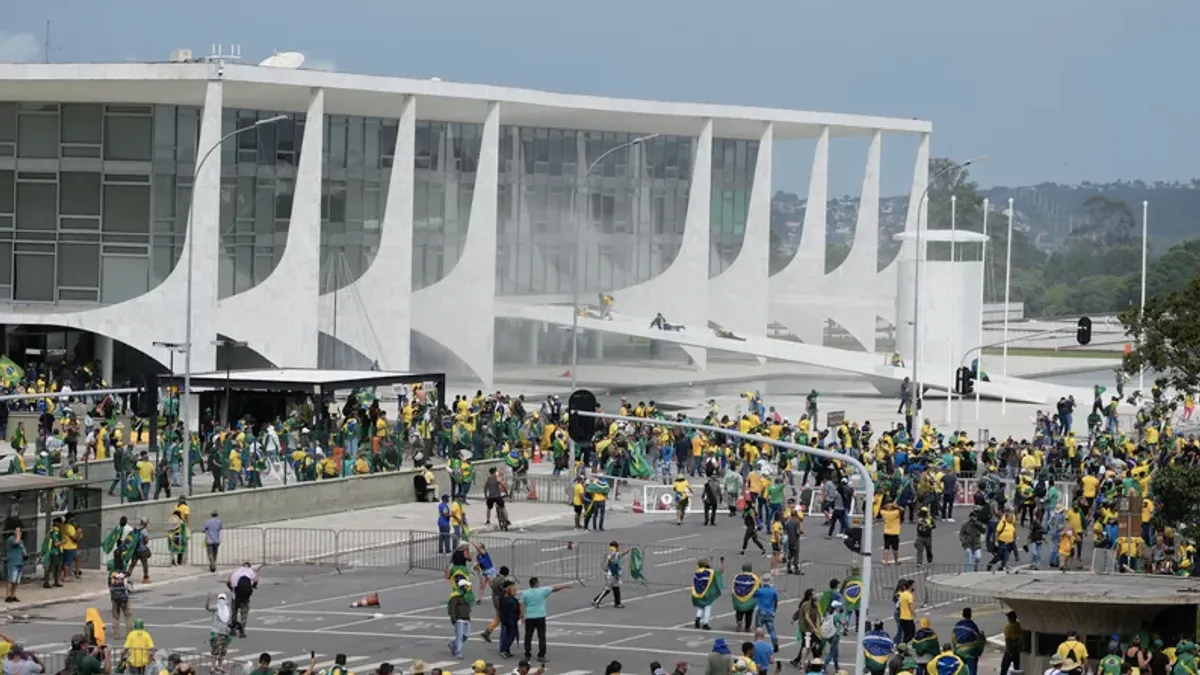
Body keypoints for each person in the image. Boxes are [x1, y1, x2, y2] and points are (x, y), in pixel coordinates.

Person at [519, 577, 572, 664]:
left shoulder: (525, 593)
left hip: (529, 617)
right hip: (540, 616)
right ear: (536, 583)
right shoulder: (542, 591)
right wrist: (564, 586)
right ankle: (541, 655)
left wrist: (522, 615)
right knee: (541, 636)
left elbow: (521, 604)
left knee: (528, 636)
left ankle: (527, 653)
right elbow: (554, 588)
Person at [591, 542, 630, 609]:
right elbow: (616, 558)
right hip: (612, 574)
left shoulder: (612, 553)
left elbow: (619, 555)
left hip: (613, 574)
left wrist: (628, 551)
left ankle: (617, 603)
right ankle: (596, 600)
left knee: (616, 588)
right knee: (607, 589)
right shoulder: (613, 554)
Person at [691, 557, 725, 630]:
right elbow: (720, 571)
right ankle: (705, 623)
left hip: (697, 593)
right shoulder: (711, 572)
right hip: (706, 594)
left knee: (701, 606)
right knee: (707, 608)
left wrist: (711, 561)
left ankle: (698, 617)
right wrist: (722, 562)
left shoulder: (697, 572)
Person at [203, 593, 233, 675]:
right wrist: (208, 600)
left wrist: (229, 633)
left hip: (224, 633)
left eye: (223, 598)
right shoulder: (216, 607)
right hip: (216, 632)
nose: (222, 600)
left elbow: (228, 622)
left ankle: (220, 666)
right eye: (220, 598)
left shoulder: (227, 609)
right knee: (215, 651)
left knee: (223, 651)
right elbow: (207, 608)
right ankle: (213, 667)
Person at [226, 563, 257, 638]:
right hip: (245, 596)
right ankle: (242, 630)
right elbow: (256, 580)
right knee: (244, 613)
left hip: (235, 595)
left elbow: (227, 581)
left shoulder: (235, 571)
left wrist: (231, 589)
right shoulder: (250, 571)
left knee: (234, 612)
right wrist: (253, 587)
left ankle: (233, 629)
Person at [951, 608, 986, 675]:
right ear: (970, 615)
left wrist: (956, 648)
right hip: (970, 652)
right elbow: (978, 638)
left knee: (959, 669)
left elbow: (953, 637)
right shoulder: (972, 626)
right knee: (972, 669)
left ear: (962, 614)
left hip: (959, 651)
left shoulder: (957, 625)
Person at [754, 574, 780, 651]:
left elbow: (753, 595)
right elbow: (775, 602)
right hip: (770, 612)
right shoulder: (773, 591)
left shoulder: (760, 590)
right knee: (771, 630)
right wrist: (774, 610)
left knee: (758, 629)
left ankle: (758, 644)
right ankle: (775, 643)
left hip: (761, 612)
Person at [731, 564, 760, 633]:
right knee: (749, 613)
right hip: (749, 599)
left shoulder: (737, 576)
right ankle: (747, 627)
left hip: (738, 598)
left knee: (739, 611)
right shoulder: (755, 577)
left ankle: (739, 621)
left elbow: (733, 587)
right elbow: (757, 587)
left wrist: (733, 595)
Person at [496, 581, 520, 659]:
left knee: (510, 635)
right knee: (508, 635)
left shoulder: (509, 597)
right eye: (512, 587)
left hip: (511, 619)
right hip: (508, 619)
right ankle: (504, 650)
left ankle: (506, 650)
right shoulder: (505, 597)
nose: (514, 588)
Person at [4, 526, 23, 603]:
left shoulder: (21, 540)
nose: (19, 533)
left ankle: (13, 595)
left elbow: (22, 548)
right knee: (11, 580)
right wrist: (18, 535)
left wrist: (25, 553)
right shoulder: (11, 539)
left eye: (20, 531)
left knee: (16, 581)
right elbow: (16, 542)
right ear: (14, 532)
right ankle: (8, 596)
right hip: (13, 562)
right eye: (17, 531)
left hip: (19, 562)